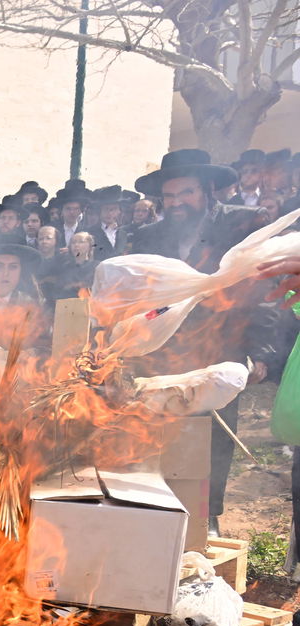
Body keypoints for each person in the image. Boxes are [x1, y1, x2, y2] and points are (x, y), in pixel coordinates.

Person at [132, 149, 274, 533]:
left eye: (186, 193)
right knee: (157, 427)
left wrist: (262, 353)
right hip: (161, 348)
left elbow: (265, 289)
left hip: (221, 344)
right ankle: (156, 511)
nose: (177, 203)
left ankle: (206, 516)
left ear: (208, 190)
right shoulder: (147, 235)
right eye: (170, 196)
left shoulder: (243, 224)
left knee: (212, 432)